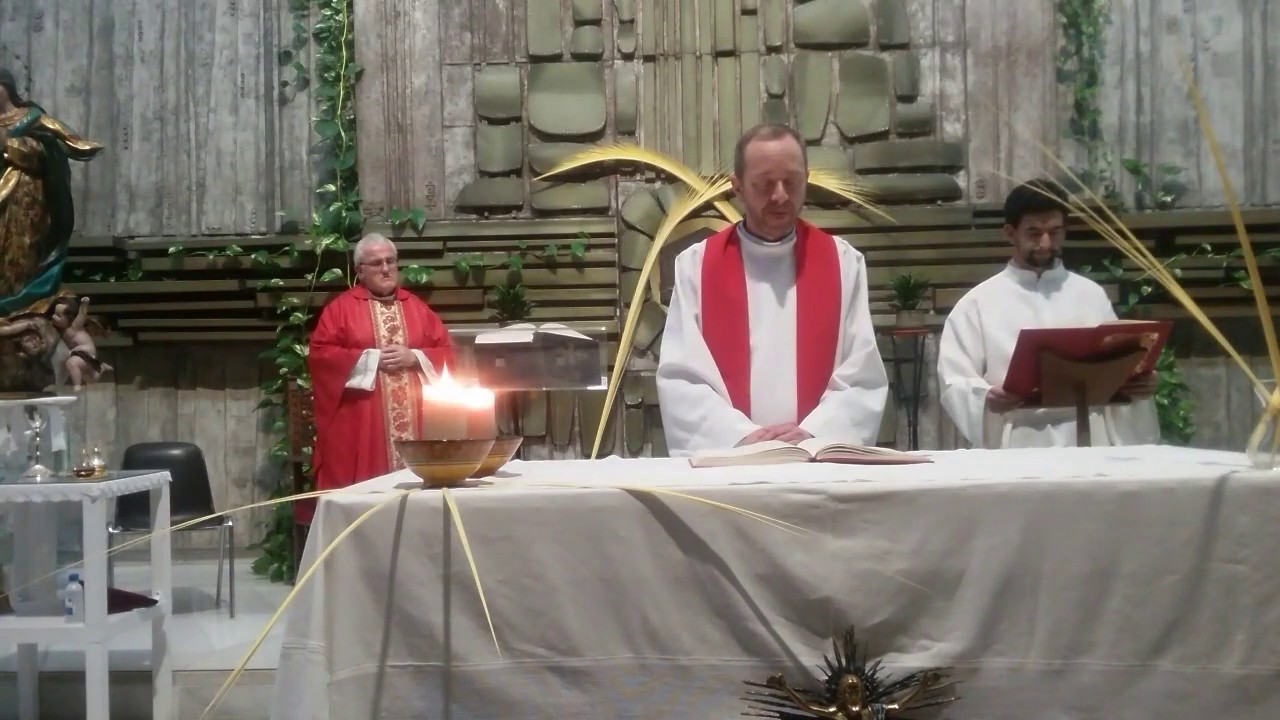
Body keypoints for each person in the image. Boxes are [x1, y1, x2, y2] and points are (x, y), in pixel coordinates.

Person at [656, 124, 889, 455]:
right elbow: (682, 379)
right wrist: (744, 437)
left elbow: (861, 375)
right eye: (765, 184)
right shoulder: (697, 265)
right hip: (733, 462)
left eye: (792, 183)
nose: (780, 195)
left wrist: (812, 432)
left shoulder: (843, 262)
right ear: (737, 187)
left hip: (817, 462)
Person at [936, 179, 1160, 449]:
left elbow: (1117, 367)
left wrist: (1138, 384)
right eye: (1034, 232)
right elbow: (954, 379)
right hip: (1018, 436)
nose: (1045, 243)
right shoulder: (977, 303)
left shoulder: (1091, 295)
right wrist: (986, 397)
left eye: (1055, 232)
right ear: (1010, 233)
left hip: (1090, 438)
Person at [298, 234, 454, 524]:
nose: (386, 269)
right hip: (363, 424)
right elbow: (321, 356)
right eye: (377, 263)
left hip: (418, 424)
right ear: (360, 270)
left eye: (391, 261)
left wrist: (415, 357)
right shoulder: (341, 309)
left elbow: (446, 352)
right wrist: (370, 360)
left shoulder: (417, 307)